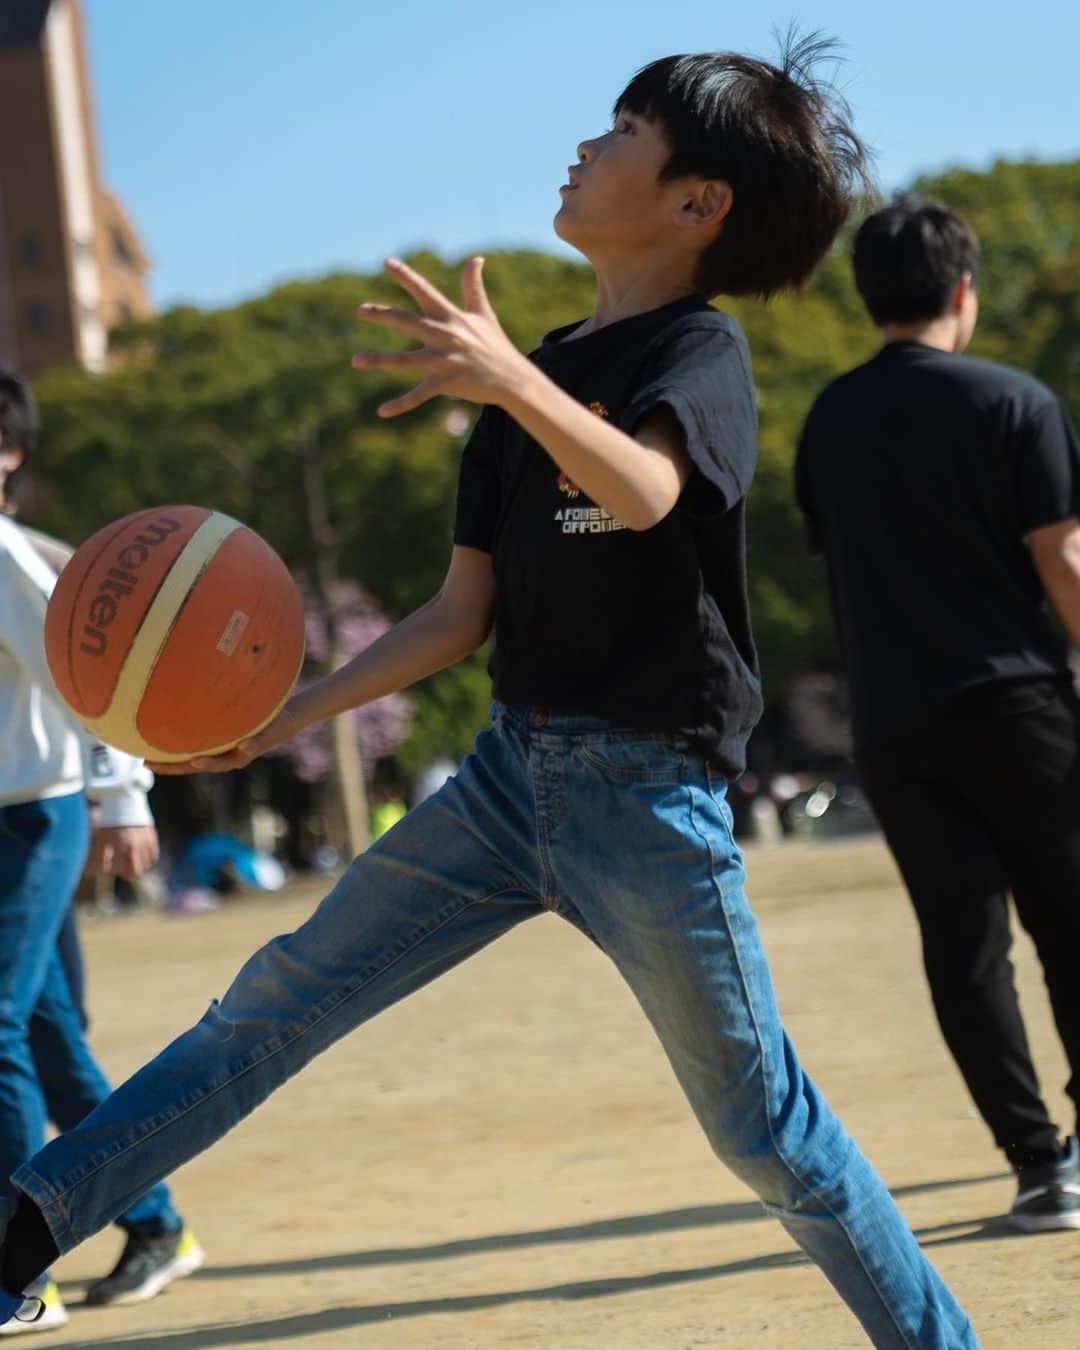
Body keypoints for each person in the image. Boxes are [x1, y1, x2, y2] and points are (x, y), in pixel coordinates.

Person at [2, 42, 977, 1346]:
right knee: (270, 1006)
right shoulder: (523, 384)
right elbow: (460, 615)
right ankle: (20, 1231)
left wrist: (511, 374)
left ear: (699, 204)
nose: (588, 144)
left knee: (766, 1133)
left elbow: (644, 493)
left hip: (652, 802)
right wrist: (286, 713)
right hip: (510, 784)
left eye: (626, 129)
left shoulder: (700, 351)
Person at [794, 196, 1080, 1233]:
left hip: (897, 721)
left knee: (963, 950)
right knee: (1072, 927)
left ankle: (1037, 1167)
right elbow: (1067, 564)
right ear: (966, 290)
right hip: (1021, 704)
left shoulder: (829, 419)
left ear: (870, 298)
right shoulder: (1015, 402)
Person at [0, 371, 203, 1333]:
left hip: (32, 818)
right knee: (44, 1035)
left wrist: (122, 794)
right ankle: (157, 1222)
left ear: (10, 455)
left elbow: (90, 673)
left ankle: (12, 1274)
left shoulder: (5, 553)